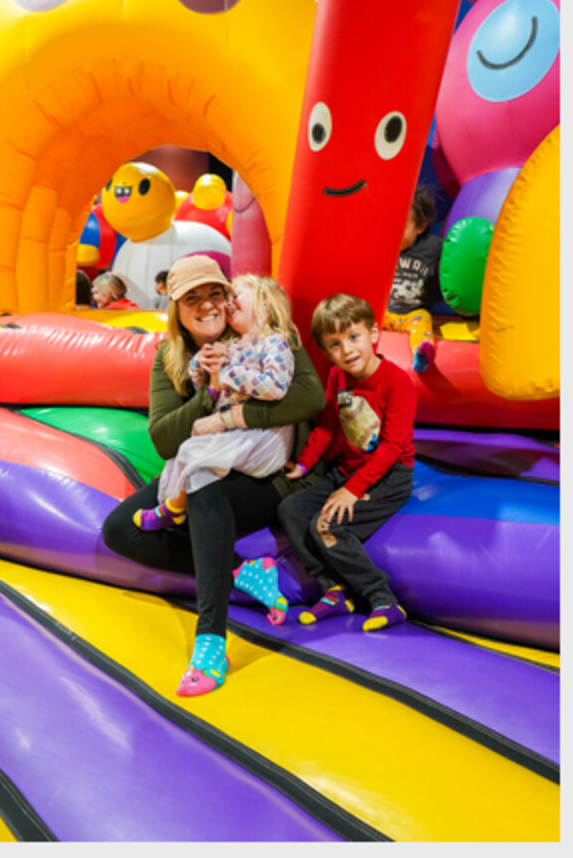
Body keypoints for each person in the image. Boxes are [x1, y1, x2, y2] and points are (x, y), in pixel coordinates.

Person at [101, 254, 326, 698]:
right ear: (177, 310)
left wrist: (230, 415)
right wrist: (206, 389)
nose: (207, 305)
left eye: (215, 293)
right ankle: (243, 571)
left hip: (265, 477)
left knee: (203, 485)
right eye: (192, 299)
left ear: (230, 297)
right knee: (120, 529)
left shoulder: (261, 332)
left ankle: (211, 641)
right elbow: (164, 439)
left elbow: (308, 398)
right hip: (202, 460)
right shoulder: (172, 356)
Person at [133, 275, 299, 568]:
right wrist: (202, 365)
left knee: (195, 459)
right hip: (236, 433)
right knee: (185, 452)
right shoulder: (233, 345)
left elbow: (276, 387)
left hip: (261, 438)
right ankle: (174, 507)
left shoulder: (275, 343)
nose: (230, 303)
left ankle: (175, 507)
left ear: (263, 304)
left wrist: (228, 375)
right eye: (230, 297)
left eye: (237, 296)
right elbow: (202, 377)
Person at [278, 293, 417, 632]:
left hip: (390, 475)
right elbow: (327, 426)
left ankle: (382, 598)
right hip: (348, 470)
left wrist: (352, 491)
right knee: (291, 509)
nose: (347, 350)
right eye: (335, 345)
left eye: (354, 337)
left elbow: (392, 447)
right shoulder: (337, 378)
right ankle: (333, 590)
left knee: (326, 525)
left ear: (373, 334)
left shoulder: (397, 382)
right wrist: (303, 465)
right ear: (327, 353)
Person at [382, 186, 443, 373]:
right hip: (386, 313)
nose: (394, 232)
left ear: (420, 227)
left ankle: (422, 353)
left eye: (402, 226)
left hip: (413, 314)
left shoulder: (431, 246)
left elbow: (454, 255)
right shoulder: (384, 247)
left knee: (423, 320)